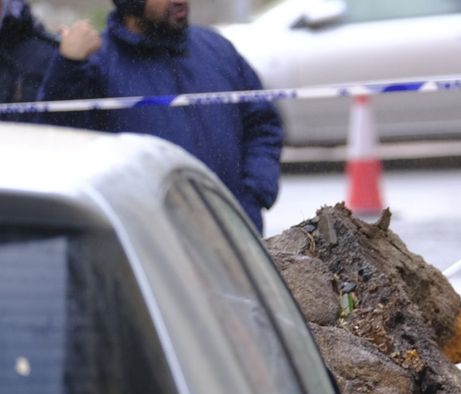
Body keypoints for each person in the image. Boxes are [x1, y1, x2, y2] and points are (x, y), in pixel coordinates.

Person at [41, 0, 281, 232]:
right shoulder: (95, 62)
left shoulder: (217, 49)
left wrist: (252, 196)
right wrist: (68, 66)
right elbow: (62, 142)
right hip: (149, 242)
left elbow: (262, 124)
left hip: (232, 233)